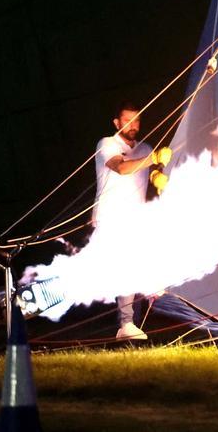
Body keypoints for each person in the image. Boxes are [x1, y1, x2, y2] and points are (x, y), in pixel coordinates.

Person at [94, 102, 155, 340]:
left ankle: (131, 325)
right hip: (111, 219)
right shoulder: (107, 144)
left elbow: (152, 174)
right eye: (127, 121)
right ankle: (126, 324)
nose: (132, 125)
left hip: (136, 220)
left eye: (136, 120)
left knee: (136, 270)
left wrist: (159, 175)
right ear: (117, 123)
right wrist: (152, 160)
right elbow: (121, 168)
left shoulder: (146, 148)